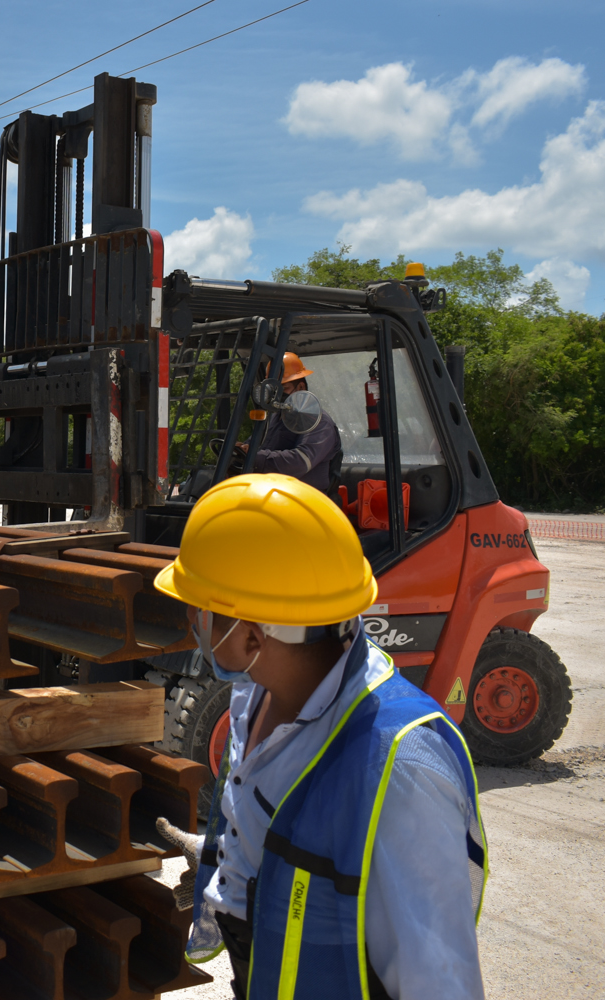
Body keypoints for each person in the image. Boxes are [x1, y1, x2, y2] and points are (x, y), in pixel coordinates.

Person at [154, 474, 486, 999]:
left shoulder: (399, 771)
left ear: (250, 635)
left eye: (200, 607)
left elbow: (438, 984)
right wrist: (228, 862)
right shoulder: (255, 693)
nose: (192, 619)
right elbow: (294, 828)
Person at [236, 352, 342, 494]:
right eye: (274, 392)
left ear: (301, 388)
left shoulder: (319, 422)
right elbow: (252, 447)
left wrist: (255, 456)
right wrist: (240, 450)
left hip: (307, 501)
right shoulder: (274, 418)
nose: (278, 397)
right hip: (275, 494)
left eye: (284, 389)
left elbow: (299, 462)